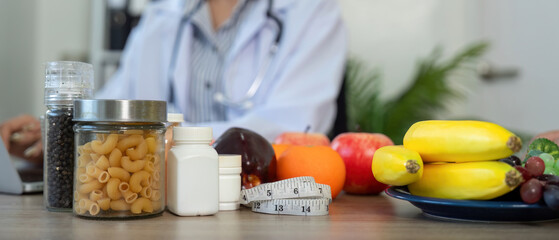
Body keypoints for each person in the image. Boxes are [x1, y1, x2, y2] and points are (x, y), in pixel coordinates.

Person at [1, 0, 347, 163]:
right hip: (162, 206)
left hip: (261, 210)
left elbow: (293, 128)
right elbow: (115, 106)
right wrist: (52, 135)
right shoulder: (161, 16)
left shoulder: (310, 11)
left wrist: (162, 136)